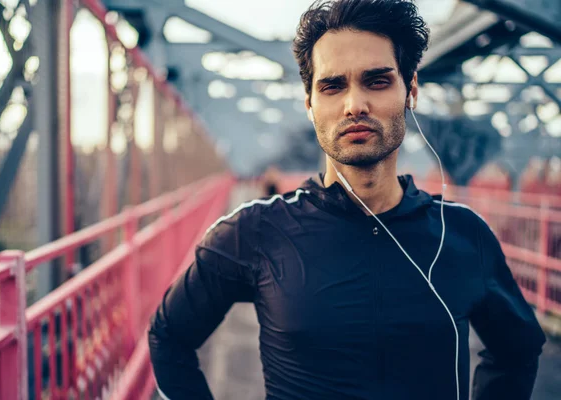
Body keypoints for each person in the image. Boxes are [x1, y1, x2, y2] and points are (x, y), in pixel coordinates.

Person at [148, 1, 546, 399]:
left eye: (376, 81)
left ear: (411, 91)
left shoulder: (462, 234)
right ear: (309, 104)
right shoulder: (255, 231)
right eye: (332, 86)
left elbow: (518, 348)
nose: (354, 104)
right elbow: (168, 335)